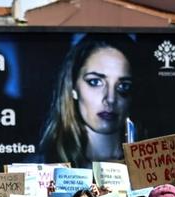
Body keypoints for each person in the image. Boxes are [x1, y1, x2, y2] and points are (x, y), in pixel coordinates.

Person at [40, 34, 136, 167]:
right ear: (73, 86)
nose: (110, 99)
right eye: (95, 82)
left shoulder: (154, 170)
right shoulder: (40, 167)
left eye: (123, 85)